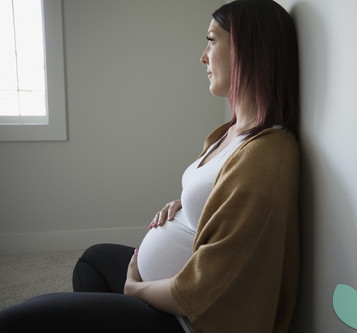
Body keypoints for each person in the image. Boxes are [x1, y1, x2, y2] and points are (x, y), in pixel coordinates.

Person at [0, 0, 300, 332]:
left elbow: (211, 286)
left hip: (186, 319)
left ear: (247, 48)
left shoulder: (269, 154)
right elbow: (224, 201)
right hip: (168, 294)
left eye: (212, 40)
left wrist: (136, 289)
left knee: (19, 320)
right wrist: (186, 205)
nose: (202, 56)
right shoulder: (232, 133)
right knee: (94, 260)